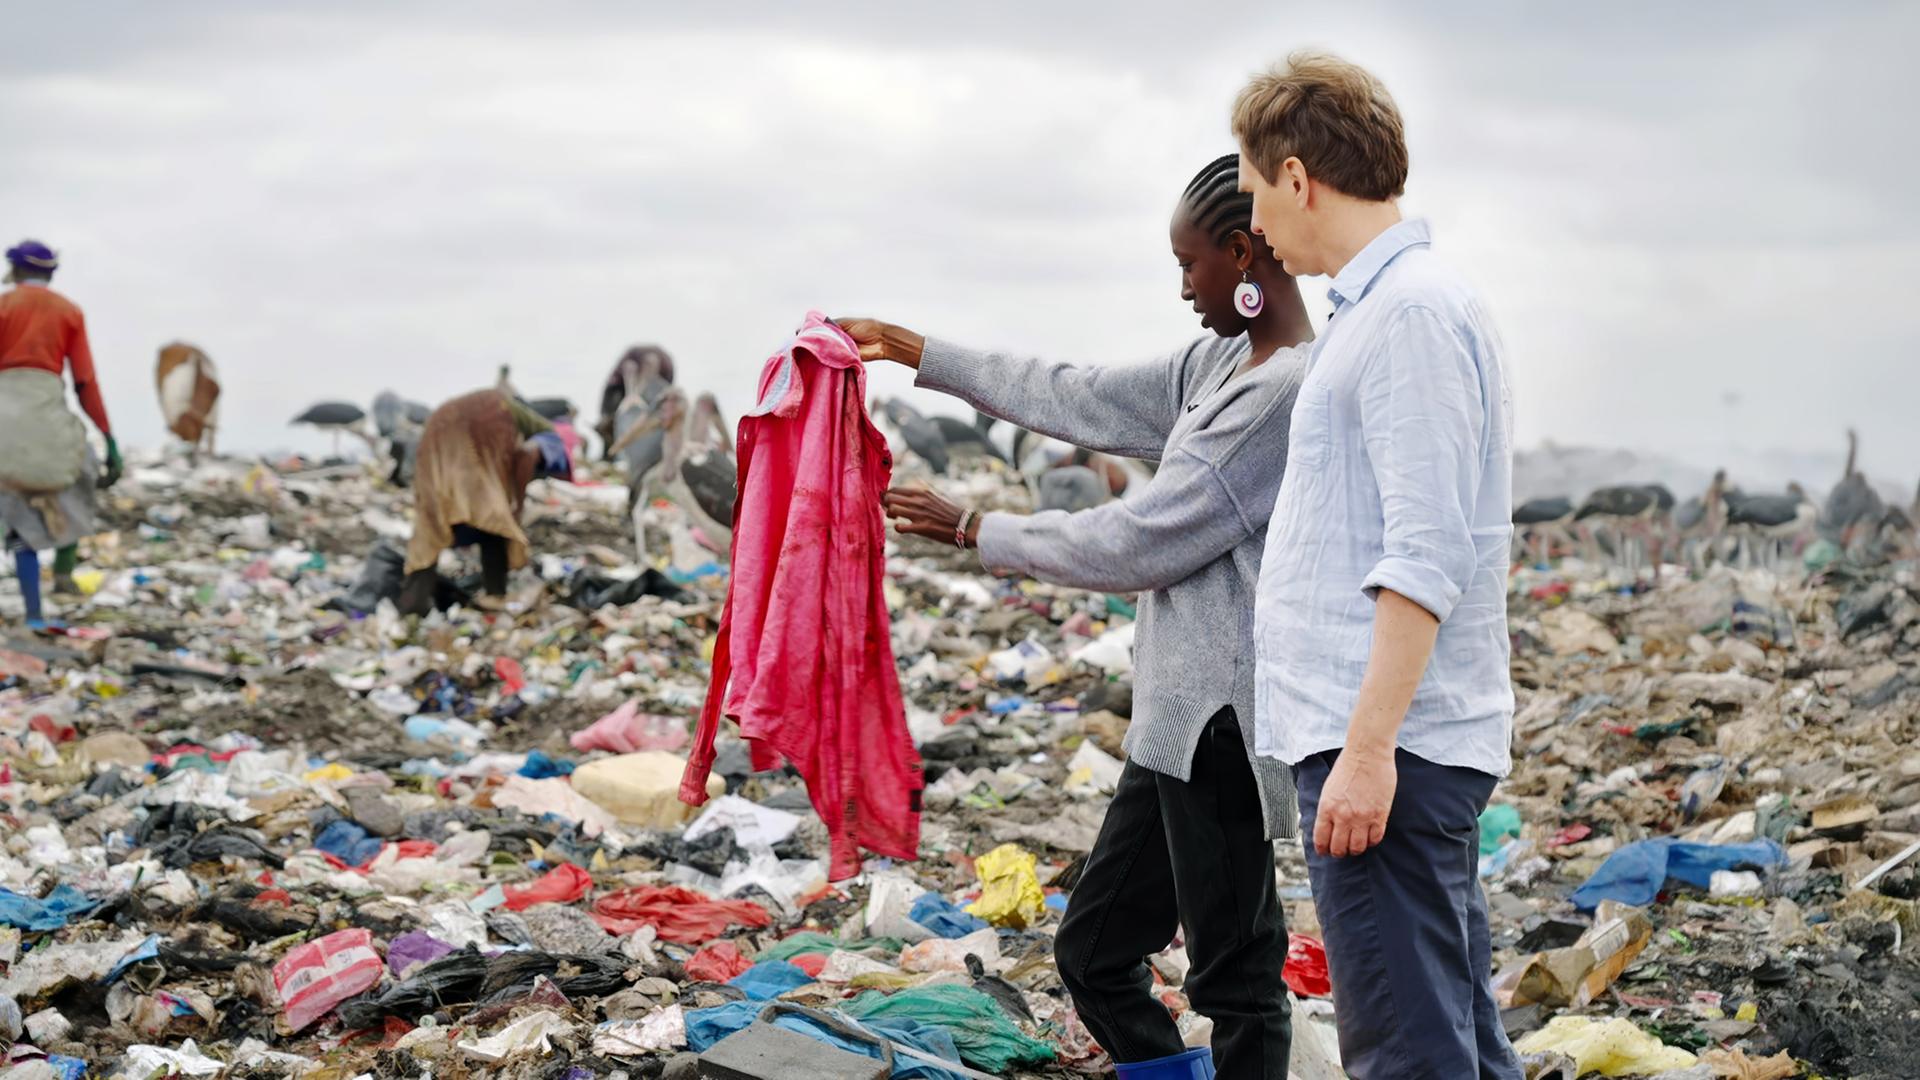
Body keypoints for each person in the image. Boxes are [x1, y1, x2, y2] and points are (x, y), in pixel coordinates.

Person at [839, 153, 1313, 1080]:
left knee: (1238, 983)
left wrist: (978, 529)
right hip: (1171, 727)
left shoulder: (1282, 393)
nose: (1184, 288)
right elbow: (1077, 392)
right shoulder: (1219, 362)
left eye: (1190, 265)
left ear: (1242, 252)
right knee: (1093, 951)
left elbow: (1142, 540)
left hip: (1224, 727)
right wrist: (915, 350)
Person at [1235, 52, 1521, 1078]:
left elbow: (1427, 550)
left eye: (1257, 192)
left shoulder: (1410, 315)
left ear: (1298, 176)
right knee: (1455, 1044)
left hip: (1392, 754)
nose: (1257, 225)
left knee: (1408, 1055)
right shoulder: (1385, 309)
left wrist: (1366, 753)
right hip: (1393, 747)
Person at [0, 239, 121, 622]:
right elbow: (85, 382)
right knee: (81, 476)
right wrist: (109, 440)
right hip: (46, 416)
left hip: (4, 420)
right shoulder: (68, 311)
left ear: (15, 270)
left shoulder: (3, 306)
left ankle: (35, 612)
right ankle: (60, 581)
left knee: (14, 513)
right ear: (51, 273)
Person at [398, 388, 571, 615]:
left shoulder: (473, 407)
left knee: (432, 529)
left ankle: (412, 608)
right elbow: (529, 454)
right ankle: (495, 594)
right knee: (494, 524)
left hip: (435, 457)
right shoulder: (534, 430)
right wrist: (517, 507)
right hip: (466, 461)